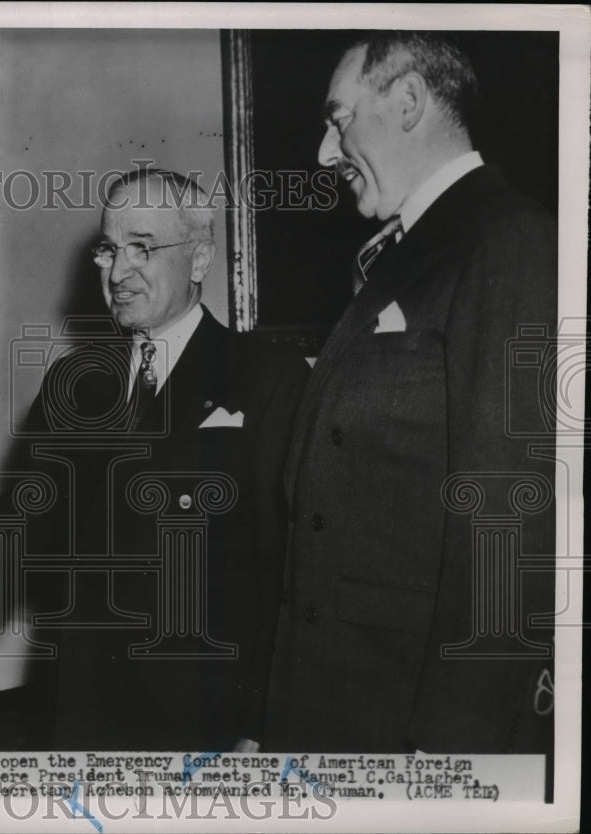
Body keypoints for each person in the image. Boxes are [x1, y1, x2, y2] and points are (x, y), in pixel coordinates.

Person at [0, 169, 310, 750]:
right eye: (109, 249)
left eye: (143, 247)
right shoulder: (76, 383)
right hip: (82, 710)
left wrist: (258, 727)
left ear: (198, 259)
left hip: (205, 723)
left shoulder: (269, 379)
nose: (118, 271)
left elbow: (286, 567)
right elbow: (21, 521)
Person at [263, 33, 556, 753]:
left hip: (415, 723)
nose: (326, 154)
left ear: (409, 102)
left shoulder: (510, 241)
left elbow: (507, 523)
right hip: (343, 701)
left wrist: (456, 752)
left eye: (340, 120)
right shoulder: (403, 253)